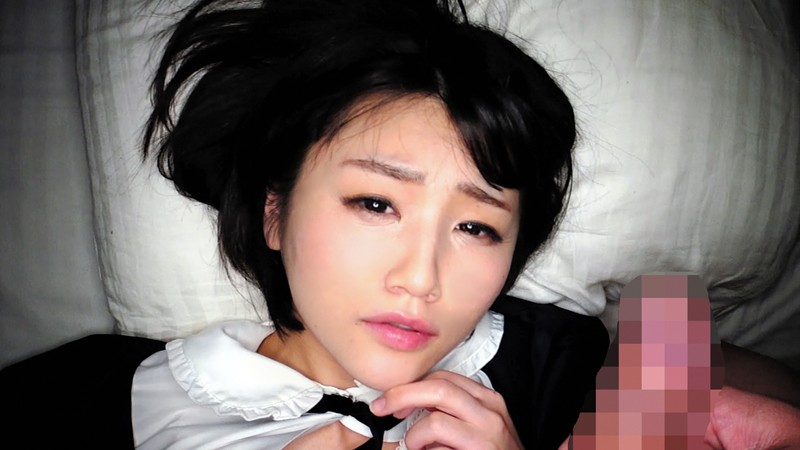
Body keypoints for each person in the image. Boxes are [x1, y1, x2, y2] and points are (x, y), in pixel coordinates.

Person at [0, 0, 608, 449]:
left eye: (475, 228)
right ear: (274, 212)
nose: (421, 279)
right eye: (376, 204)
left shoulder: (568, 365)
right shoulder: (75, 401)